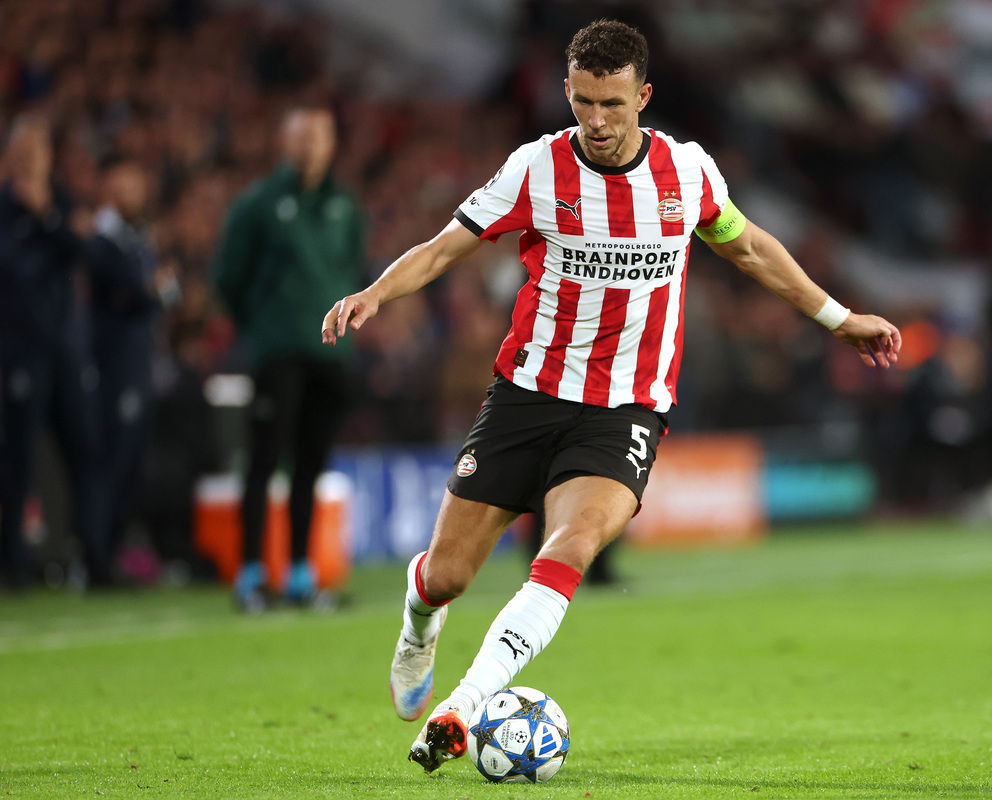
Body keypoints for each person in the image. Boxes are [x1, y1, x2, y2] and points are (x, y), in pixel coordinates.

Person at [322, 20, 901, 773]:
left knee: (570, 549)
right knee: (448, 575)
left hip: (626, 409)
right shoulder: (535, 168)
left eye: (613, 104)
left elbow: (750, 247)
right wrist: (376, 293)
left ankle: (461, 707)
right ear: (568, 92)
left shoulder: (688, 174)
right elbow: (443, 246)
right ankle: (419, 620)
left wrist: (840, 318)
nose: (596, 121)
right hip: (527, 394)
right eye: (584, 101)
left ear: (643, 97)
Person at [213, 108, 366, 611]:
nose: (308, 146)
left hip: (331, 353)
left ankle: (301, 573)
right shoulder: (258, 204)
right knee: (263, 461)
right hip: (277, 350)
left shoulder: (345, 204)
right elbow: (228, 278)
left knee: (310, 464)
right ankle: (251, 573)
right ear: (284, 141)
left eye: (318, 136)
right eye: (299, 137)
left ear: (331, 143)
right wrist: (262, 326)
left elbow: (355, 272)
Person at [0, 116, 107, 590]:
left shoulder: (61, 203)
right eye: (21, 151)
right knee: (19, 458)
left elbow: (85, 251)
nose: (29, 160)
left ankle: (93, 554)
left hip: (66, 347)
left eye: (36, 150)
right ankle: (15, 562)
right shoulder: (3, 206)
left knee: (84, 449)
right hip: (21, 348)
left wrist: (47, 216)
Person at [86, 159, 176, 576]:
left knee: (130, 463)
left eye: (136, 183)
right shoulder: (103, 241)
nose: (130, 193)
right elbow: (137, 295)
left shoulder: (138, 238)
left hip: (138, 364)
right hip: (114, 367)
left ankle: (116, 551)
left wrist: (155, 291)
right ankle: (96, 557)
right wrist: (152, 290)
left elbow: (158, 295)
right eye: (122, 184)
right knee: (111, 461)